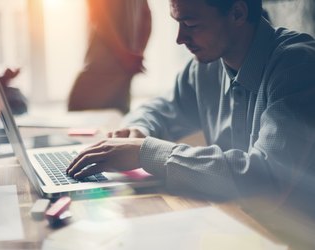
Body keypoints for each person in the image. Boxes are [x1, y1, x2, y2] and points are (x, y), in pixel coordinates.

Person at [67, 0, 315, 218]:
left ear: (238, 13)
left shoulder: (297, 67)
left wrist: (146, 152)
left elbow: (267, 177)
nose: (180, 38)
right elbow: (163, 107)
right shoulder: (206, 66)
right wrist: (138, 129)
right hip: (234, 221)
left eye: (191, 24)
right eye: (178, 22)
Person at [67, 0, 151, 114]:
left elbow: (98, 15)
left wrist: (127, 56)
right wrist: (136, 54)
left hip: (100, 76)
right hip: (121, 78)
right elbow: (146, 17)